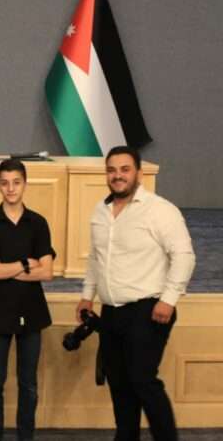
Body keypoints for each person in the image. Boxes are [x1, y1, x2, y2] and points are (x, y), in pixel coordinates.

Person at [76, 146, 195, 441]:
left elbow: (184, 256)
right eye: (112, 170)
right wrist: (87, 295)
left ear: (139, 174)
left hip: (149, 309)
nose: (117, 176)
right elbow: (96, 259)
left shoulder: (160, 210)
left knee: (142, 381)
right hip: (111, 312)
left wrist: (168, 299)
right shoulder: (100, 211)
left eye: (125, 169)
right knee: (119, 384)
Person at [0, 159, 54, 441]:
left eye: (16, 182)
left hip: (32, 311)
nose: (11, 188)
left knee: (28, 384)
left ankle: (25, 437)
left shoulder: (38, 223)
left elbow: (47, 272)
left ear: (25, 184)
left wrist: (4, 268)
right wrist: (24, 264)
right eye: (5, 183)